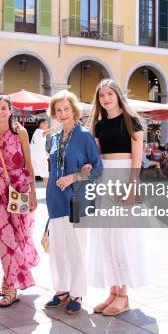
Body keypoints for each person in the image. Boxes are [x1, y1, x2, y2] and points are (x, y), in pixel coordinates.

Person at [87, 79, 147, 316]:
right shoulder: (99, 125)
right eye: (101, 96)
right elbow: (96, 157)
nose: (106, 99)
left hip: (124, 177)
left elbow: (136, 159)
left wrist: (132, 187)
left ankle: (123, 295)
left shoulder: (132, 120)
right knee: (105, 237)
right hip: (105, 178)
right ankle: (112, 291)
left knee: (120, 237)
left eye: (109, 94)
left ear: (118, 95)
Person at [44, 90, 102, 315]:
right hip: (56, 200)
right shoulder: (55, 137)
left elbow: (97, 168)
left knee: (76, 247)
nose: (62, 113)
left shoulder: (84, 135)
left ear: (74, 110)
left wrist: (74, 176)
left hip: (78, 199)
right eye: (58, 110)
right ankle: (61, 290)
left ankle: (76, 293)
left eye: (66, 109)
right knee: (58, 249)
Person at [0, 95, 39, 308]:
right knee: (4, 238)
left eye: (3, 108)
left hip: (19, 187)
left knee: (20, 235)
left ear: (10, 110)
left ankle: (8, 278)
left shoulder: (20, 132)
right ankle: (12, 287)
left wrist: (33, 192)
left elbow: (29, 165)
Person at [30, 118, 50, 184]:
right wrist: (58, 127)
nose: (47, 124)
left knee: (32, 175)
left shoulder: (36, 132)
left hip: (34, 157)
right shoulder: (40, 131)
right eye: (45, 123)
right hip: (39, 158)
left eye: (47, 123)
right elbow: (45, 132)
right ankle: (48, 192)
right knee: (45, 175)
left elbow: (39, 146)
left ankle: (31, 191)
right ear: (41, 124)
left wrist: (47, 154)